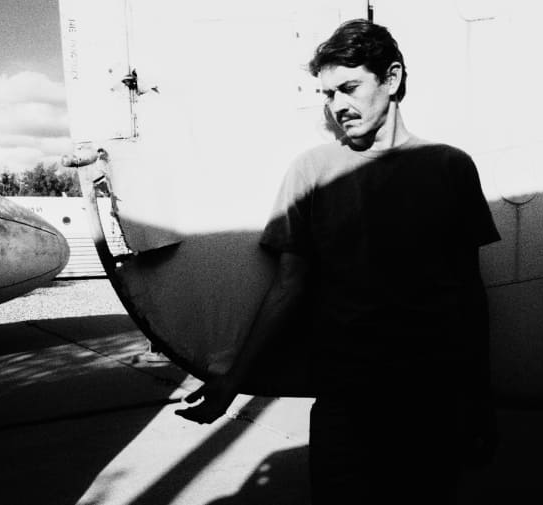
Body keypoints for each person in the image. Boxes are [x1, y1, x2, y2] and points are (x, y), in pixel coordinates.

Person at [176, 18, 500, 504]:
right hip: (346, 402)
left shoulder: (450, 167)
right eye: (328, 94)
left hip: (433, 400)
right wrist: (233, 381)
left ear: (392, 79)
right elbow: (288, 286)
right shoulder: (312, 170)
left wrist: (479, 397)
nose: (338, 106)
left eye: (349, 88)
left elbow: (469, 293)